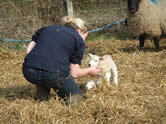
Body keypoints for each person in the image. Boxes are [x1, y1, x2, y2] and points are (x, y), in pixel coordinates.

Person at [22, 16, 101, 105]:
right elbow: (75, 73)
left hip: (29, 70)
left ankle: (43, 98)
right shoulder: (78, 40)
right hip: (52, 74)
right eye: (84, 37)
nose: (84, 40)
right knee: (76, 96)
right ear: (79, 30)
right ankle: (68, 105)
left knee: (43, 68)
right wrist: (90, 70)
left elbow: (28, 51)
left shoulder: (47, 29)